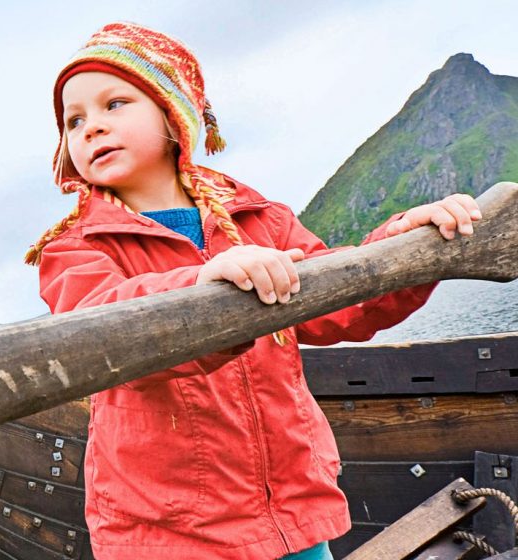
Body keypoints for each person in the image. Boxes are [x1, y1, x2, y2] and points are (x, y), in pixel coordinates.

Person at [24, 22, 481, 560]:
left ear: (174, 116)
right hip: (168, 529)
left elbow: (343, 300)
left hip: (291, 504)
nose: (91, 127)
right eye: (74, 120)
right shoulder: (71, 247)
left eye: (114, 103)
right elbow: (95, 327)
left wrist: (406, 247)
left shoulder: (259, 217)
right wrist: (201, 284)